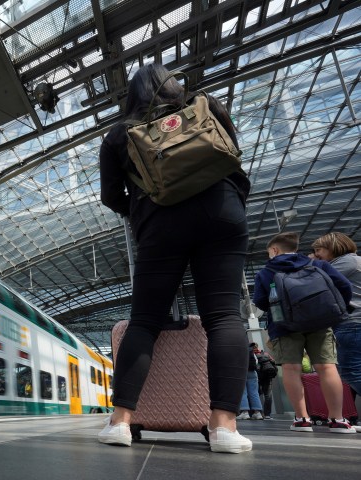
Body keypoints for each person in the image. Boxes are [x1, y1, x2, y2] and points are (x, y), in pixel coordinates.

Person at [97, 63, 254, 453]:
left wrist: (140, 208)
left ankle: (120, 422)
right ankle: (224, 428)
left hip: (160, 221)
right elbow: (231, 154)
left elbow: (110, 195)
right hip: (223, 211)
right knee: (224, 317)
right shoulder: (208, 105)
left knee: (145, 321)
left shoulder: (120, 134)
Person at [252, 232, 355, 434]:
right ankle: (338, 419)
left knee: (291, 369)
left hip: (284, 326)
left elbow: (260, 301)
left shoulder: (266, 272)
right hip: (320, 323)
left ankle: (302, 419)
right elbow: (344, 286)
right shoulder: (317, 265)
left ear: (274, 250)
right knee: (327, 367)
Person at [311, 232, 361, 430]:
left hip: (352, 323)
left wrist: (309, 263)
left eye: (318, 250)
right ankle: (348, 418)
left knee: (351, 371)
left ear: (334, 247)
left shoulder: (345, 263)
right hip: (355, 324)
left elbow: (316, 279)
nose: (316, 255)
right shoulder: (355, 261)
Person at [237, 345, 264, 420]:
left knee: (243, 392)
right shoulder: (250, 350)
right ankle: (257, 413)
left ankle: (245, 412)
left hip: (241, 371)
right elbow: (256, 361)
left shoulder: (237, 348)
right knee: (254, 392)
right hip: (252, 372)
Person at [252, 342, 277, 419]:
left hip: (257, 377)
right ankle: (267, 415)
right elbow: (273, 362)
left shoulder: (252, 355)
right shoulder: (265, 354)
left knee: (255, 394)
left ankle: (258, 413)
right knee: (268, 395)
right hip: (267, 376)